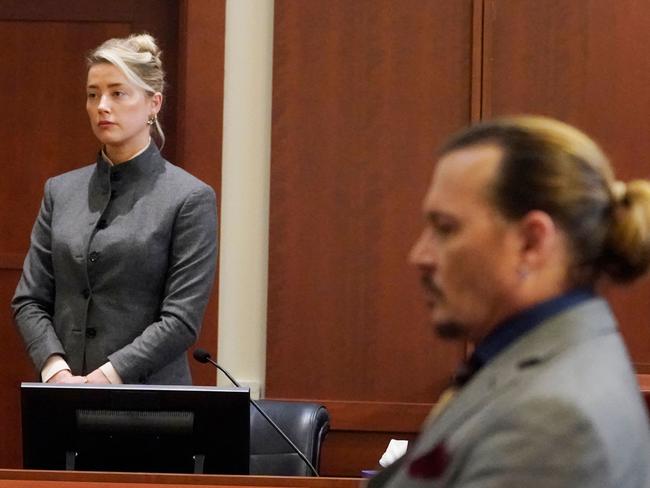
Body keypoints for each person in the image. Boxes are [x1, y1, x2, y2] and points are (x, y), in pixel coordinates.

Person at [369, 116, 650, 487]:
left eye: (446, 228)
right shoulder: (550, 364)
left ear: (531, 243)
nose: (419, 255)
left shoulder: (552, 421)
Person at [11, 33, 218, 385]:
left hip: (150, 405)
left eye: (118, 93)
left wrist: (106, 377)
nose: (102, 105)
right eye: (93, 94)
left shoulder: (189, 197)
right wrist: (55, 370)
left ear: (154, 103)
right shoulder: (60, 191)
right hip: (62, 396)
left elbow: (181, 320)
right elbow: (29, 300)